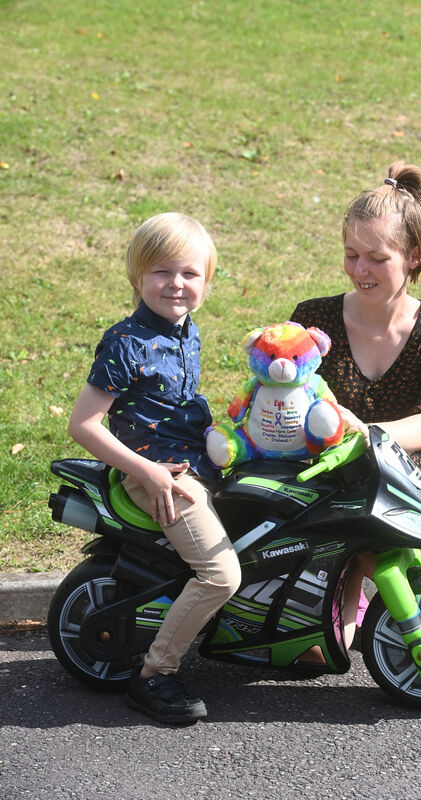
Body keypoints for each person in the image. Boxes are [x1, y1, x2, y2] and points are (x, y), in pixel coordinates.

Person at [68, 212, 241, 724]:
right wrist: (147, 472)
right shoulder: (126, 343)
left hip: (192, 463)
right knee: (220, 573)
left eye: (190, 274)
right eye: (162, 272)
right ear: (138, 276)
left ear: (207, 282)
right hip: (160, 476)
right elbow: (84, 424)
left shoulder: (187, 332)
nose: (176, 284)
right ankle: (154, 676)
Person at [291, 161, 421, 655]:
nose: (359, 270)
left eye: (376, 257)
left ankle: (354, 601)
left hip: (394, 480)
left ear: (414, 256)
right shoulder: (314, 317)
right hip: (320, 476)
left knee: (368, 546)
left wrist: (362, 431)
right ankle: (341, 604)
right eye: (351, 254)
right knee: (314, 655)